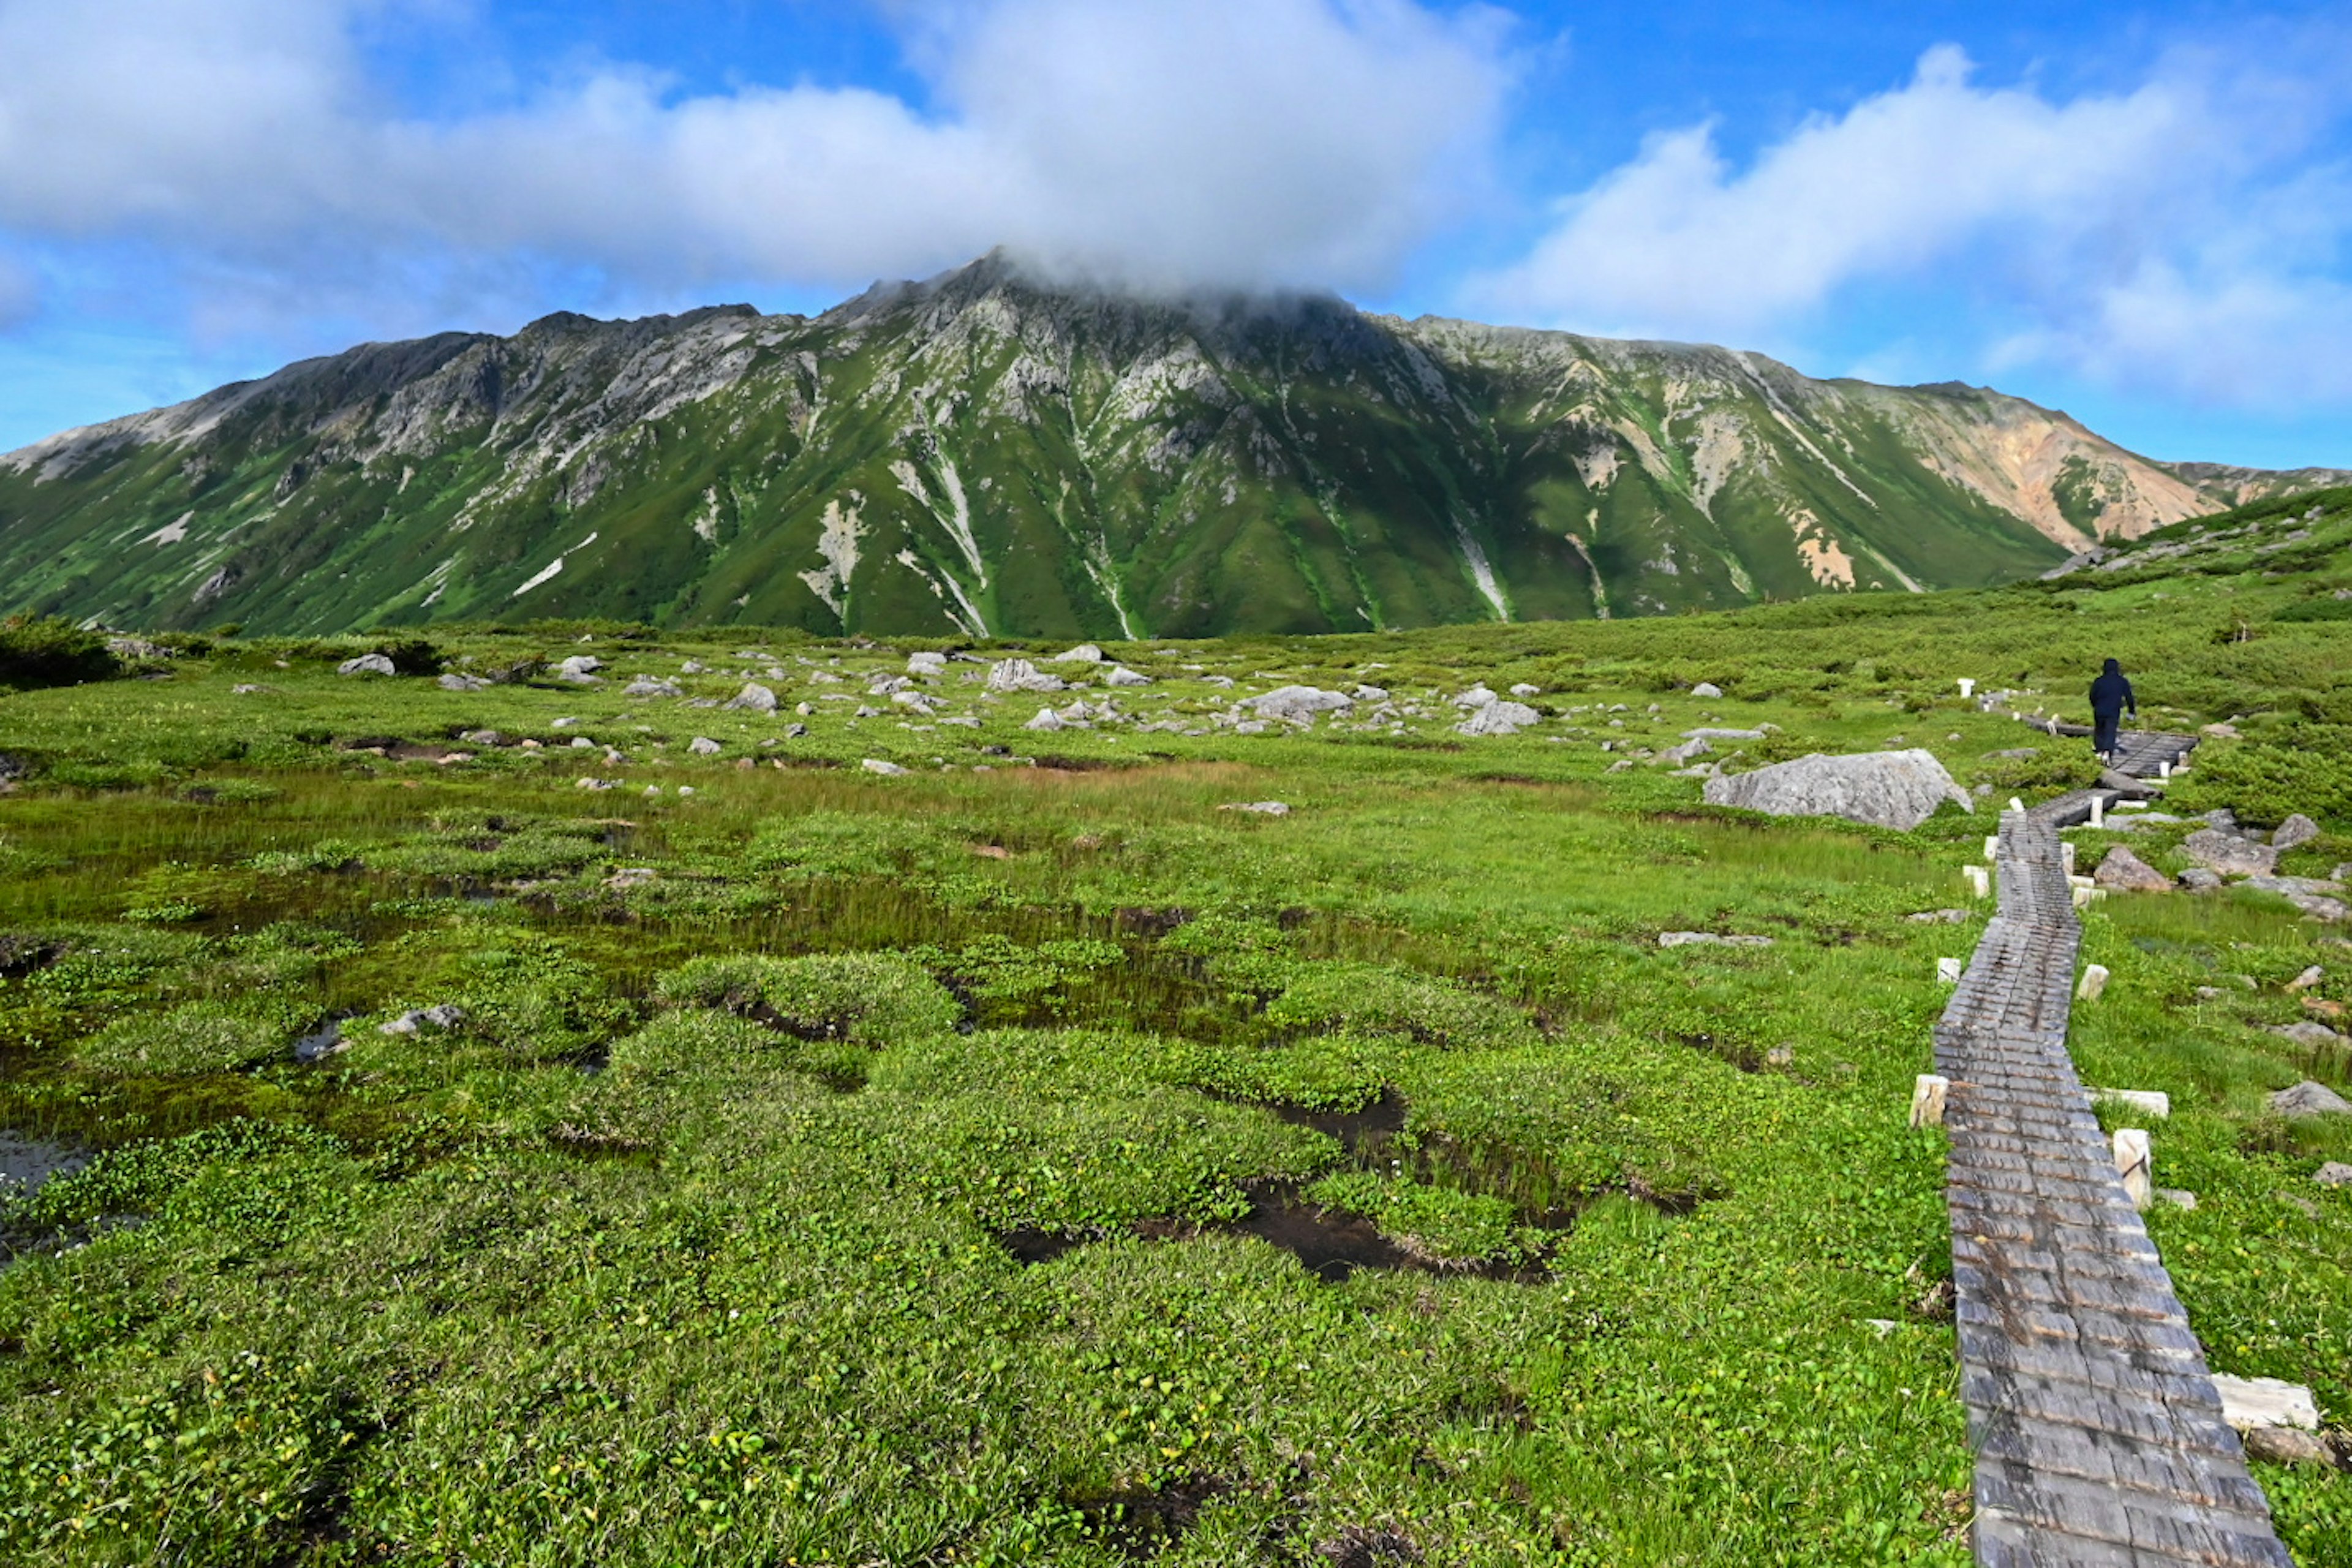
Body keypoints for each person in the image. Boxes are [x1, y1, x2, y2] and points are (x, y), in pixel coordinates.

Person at [2089, 657, 2136, 763]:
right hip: (2113, 710)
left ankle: (2099, 752)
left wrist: (2095, 705)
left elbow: (2092, 696)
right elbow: (2129, 698)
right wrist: (2131, 711)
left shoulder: (2099, 681)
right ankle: (2107, 752)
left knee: (2100, 731)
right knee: (2110, 731)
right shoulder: (2122, 681)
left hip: (2099, 710)